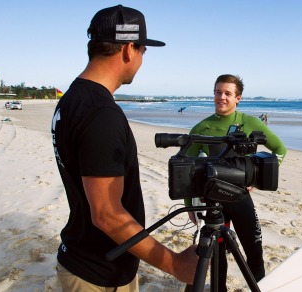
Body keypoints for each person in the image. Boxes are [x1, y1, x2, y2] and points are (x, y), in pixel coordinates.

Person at [50, 5, 198, 290]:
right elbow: (106, 214)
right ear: (129, 49)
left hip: (87, 258)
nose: (142, 59)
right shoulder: (101, 114)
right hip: (96, 275)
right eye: (143, 51)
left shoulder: (72, 99)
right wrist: (175, 265)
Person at [185, 74, 286, 291]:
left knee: (255, 254)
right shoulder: (202, 128)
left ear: (238, 98)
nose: (221, 97)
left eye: (227, 93)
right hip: (213, 203)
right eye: (218, 92)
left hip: (240, 199)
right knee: (218, 258)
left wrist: (258, 179)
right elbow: (187, 167)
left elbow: (280, 150)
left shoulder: (250, 123)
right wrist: (188, 204)